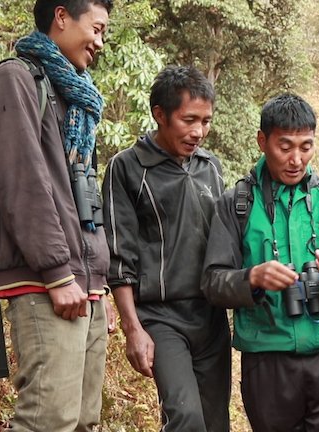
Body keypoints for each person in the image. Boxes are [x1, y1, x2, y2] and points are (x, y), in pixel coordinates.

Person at [201, 93, 319, 432]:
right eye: (285, 147)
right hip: (268, 364)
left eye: (306, 146)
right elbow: (212, 282)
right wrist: (252, 278)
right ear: (262, 141)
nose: (297, 159)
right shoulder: (236, 204)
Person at [0, 0, 113, 430]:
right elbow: (22, 183)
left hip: (82, 283)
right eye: (97, 28)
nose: (100, 42)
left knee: (84, 421)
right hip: (45, 279)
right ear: (61, 16)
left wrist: (98, 283)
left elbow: (81, 193)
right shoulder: (14, 79)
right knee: (49, 421)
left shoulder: (75, 98)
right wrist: (57, 272)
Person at [102, 65, 230, 432]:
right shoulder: (127, 168)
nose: (198, 132)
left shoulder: (210, 168)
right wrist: (133, 328)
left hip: (210, 316)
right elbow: (119, 256)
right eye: (188, 120)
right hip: (160, 317)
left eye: (206, 121)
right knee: (185, 417)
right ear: (160, 114)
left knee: (215, 423)